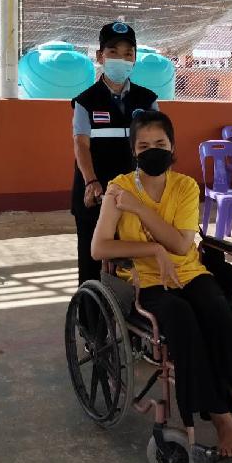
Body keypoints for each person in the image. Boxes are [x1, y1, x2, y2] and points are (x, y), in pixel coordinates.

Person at [90, 110, 232, 458]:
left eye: (160, 143)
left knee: (219, 313)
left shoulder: (184, 186)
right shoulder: (118, 189)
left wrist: (140, 209)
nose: (153, 150)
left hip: (189, 272)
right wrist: (153, 249)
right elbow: (100, 248)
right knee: (182, 318)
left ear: (172, 147)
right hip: (144, 281)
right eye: (144, 145)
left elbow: (182, 246)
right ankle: (222, 420)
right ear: (133, 150)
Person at [71, 22, 158, 285]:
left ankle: (132, 307)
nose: (121, 59)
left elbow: (157, 145)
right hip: (96, 194)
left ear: (135, 58)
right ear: (100, 56)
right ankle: (89, 309)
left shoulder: (147, 100)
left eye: (128, 53)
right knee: (92, 260)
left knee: (134, 258)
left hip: (135, 194)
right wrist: (91, 181)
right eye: (113, 52)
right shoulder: (85, 101)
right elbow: (81, 144)